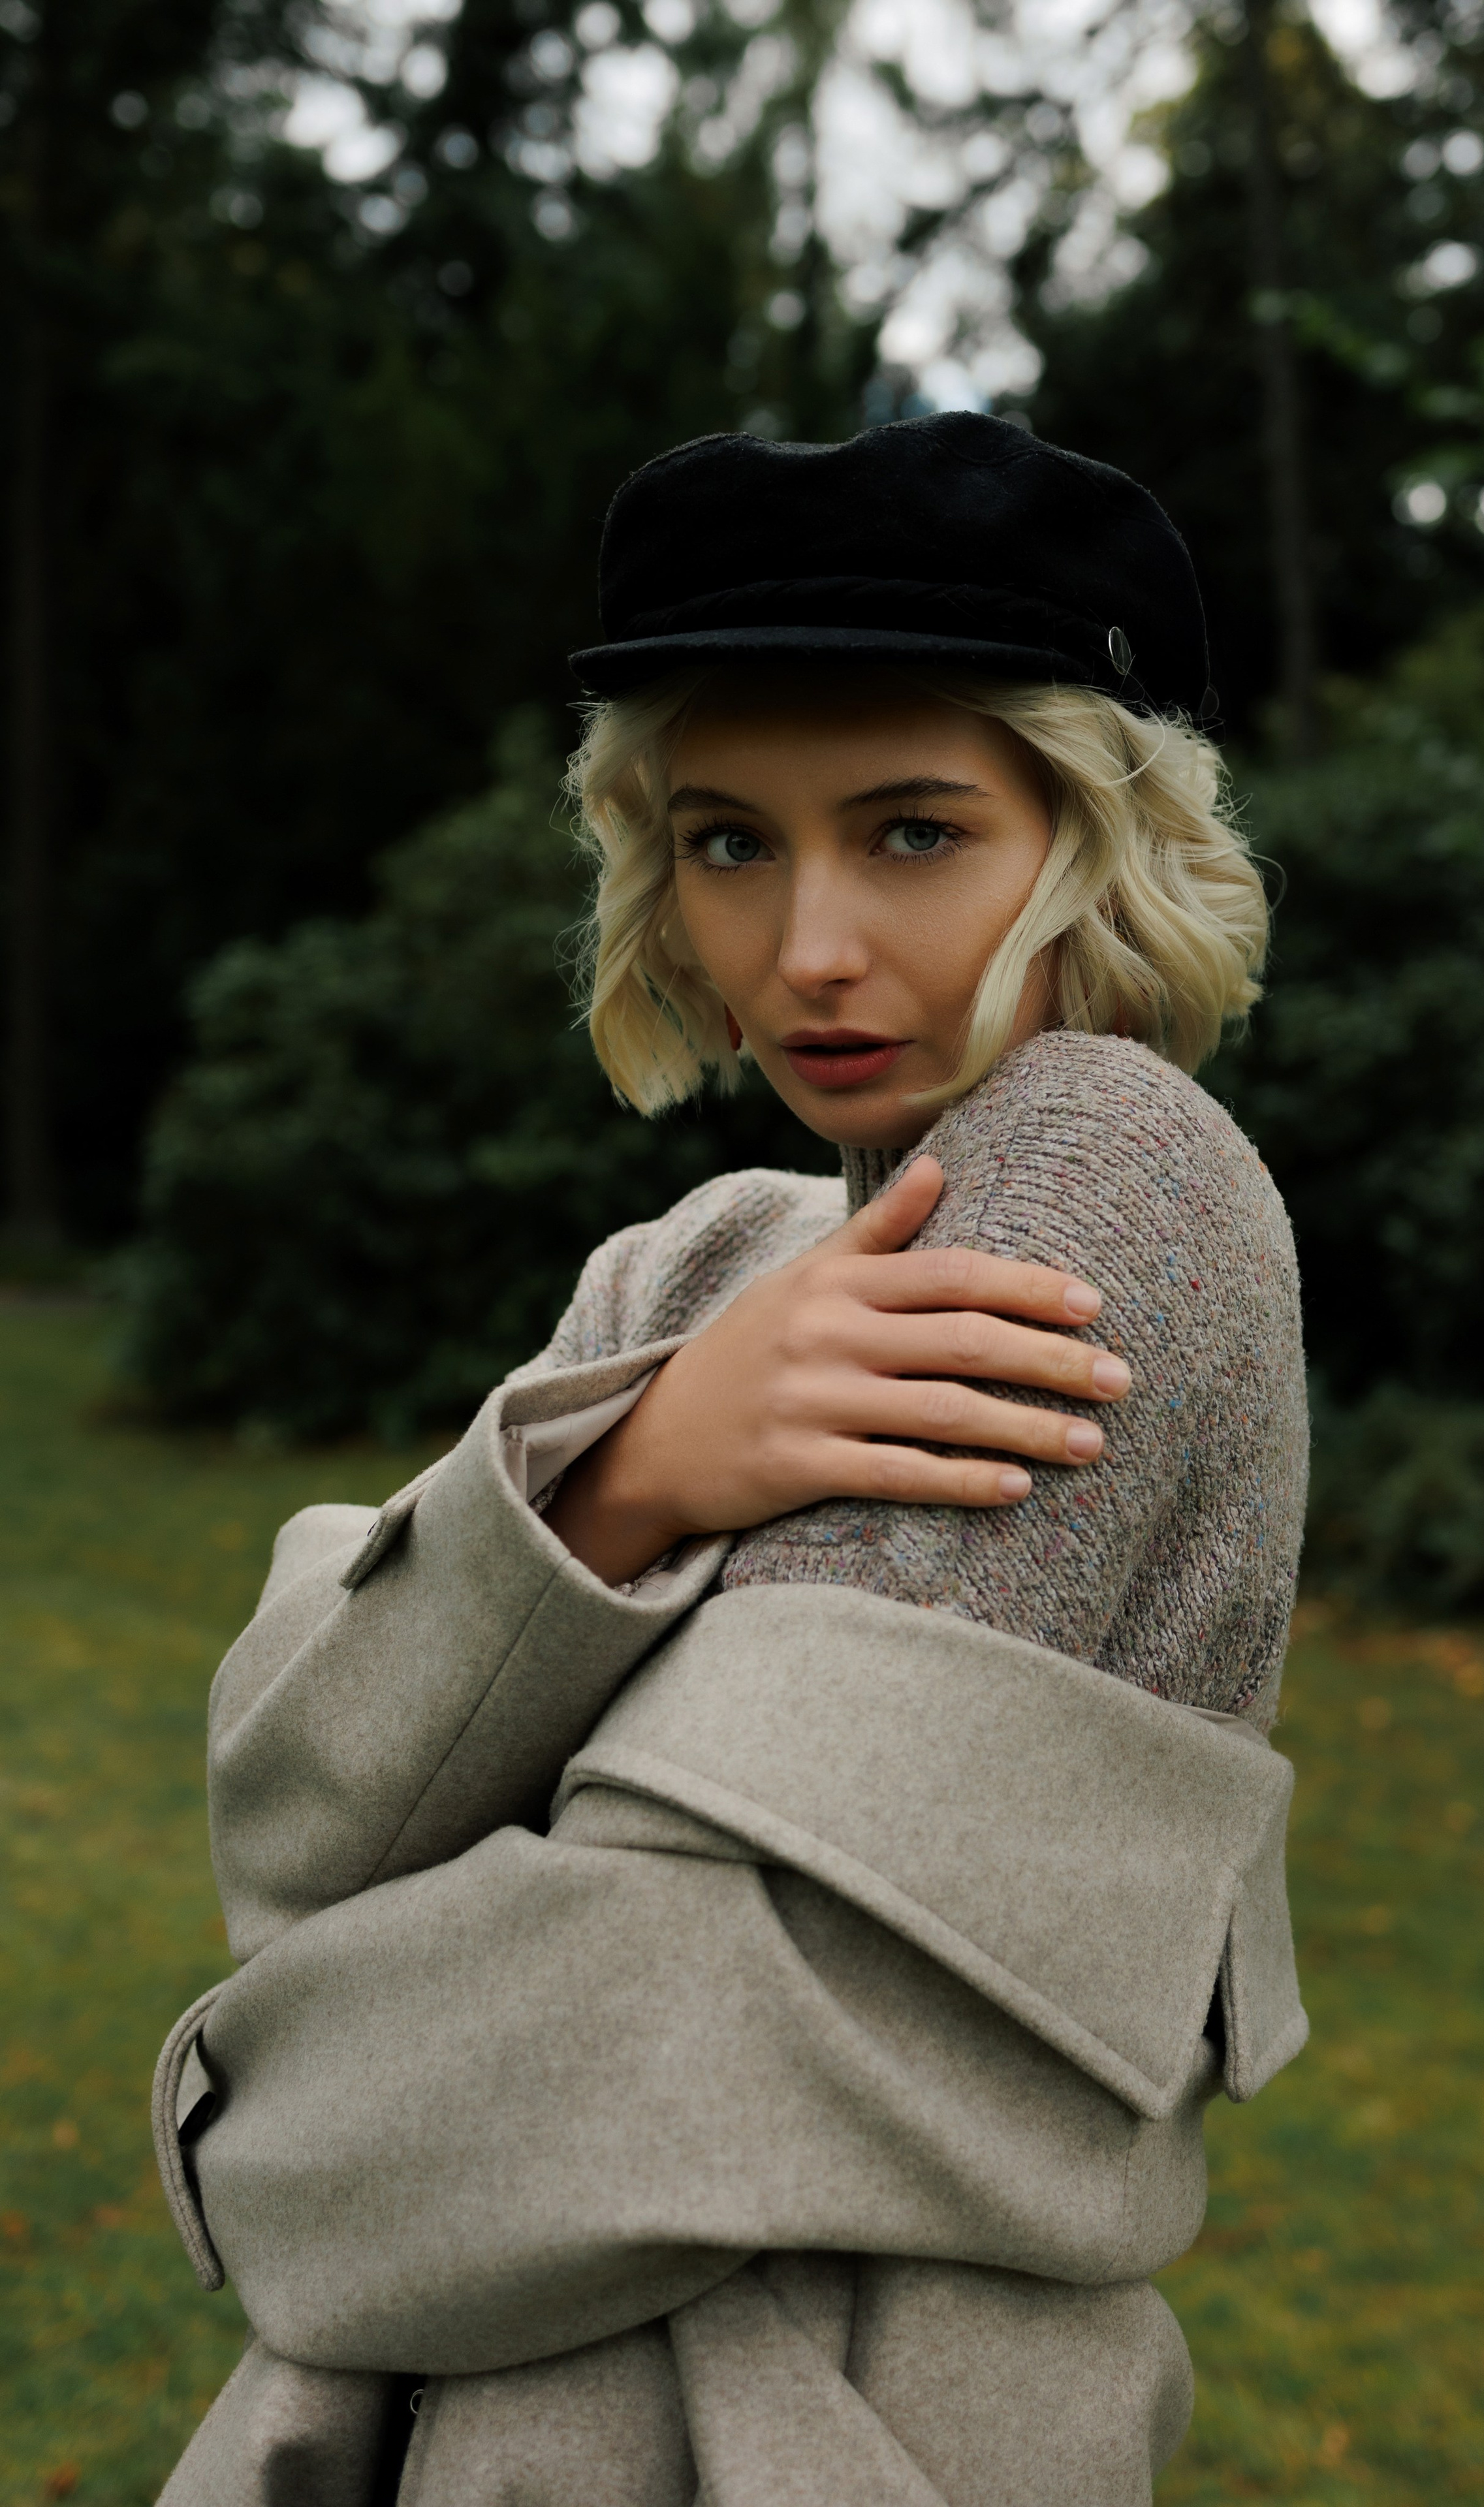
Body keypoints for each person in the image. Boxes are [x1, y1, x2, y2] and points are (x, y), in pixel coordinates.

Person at [151, 412, 1310, 2507]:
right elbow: (292, 1815)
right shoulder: (703, 1264)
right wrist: (630, 1483)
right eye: (729, 840)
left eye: (916, 830)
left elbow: (642, 2017)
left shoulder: (1113, 1169)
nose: (808, 951)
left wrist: (261, 2101)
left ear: (1099, 830)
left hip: (830, 2429)